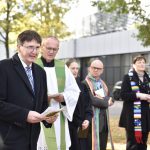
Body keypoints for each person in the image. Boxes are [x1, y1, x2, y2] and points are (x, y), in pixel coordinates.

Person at [0, 30, 56, 150]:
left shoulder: (40, 72)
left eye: (37, 47)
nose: (34, 52)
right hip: (8, 139)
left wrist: (48, 118)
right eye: (30, 47)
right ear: (19, 47)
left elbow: (42, 104)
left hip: (33, 139)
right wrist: (25, 115)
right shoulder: (3, 67)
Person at [36, 36, 80, 150]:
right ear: (42, 47)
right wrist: (41, 98)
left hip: (58, 116)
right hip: (38, 116)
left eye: (54, 49)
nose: (51, 51)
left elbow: (74, 90)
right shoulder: (33, 65)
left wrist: (64, 98)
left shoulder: (62, 67)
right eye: (48, 48)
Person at [119, 55, 150, 150]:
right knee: (133, 144)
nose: (141, 64)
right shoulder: (128, 77)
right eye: (139, 62)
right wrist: (138, 95)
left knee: (143, 142)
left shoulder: (148, 77)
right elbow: (123, 95)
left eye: (143, 62)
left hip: (145, 116)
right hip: (132, 116)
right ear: (134, 65)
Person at [83, 58, 114, 150]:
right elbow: (92, 100)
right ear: (89, 68)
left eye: (99, 68)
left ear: (102, 70)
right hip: (91, 122)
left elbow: (111, 96)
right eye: (94, 67)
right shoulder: (85, 84)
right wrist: (107, 101)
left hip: (104, 122)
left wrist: (109, 100)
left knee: (103, 146)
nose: (96, 70)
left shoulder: (103, 83)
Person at [66, 59, 92, 150]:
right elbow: (67, 108)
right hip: (70, 127)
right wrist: (80, 122)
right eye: (72, 68)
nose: (75, 70)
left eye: (77, 68)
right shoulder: (63, 86)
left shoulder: (82, 85)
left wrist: (87, 119)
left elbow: (88, 105)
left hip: (84, 126)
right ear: (67, 69)